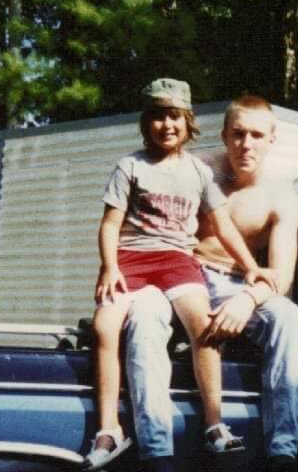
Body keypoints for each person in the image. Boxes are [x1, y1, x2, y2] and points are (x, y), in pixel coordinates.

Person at [84, 80, 278, 471]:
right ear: (146, 123)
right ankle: (109, 429)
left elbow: (223, 225)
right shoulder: (130, 166)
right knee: (105, 327)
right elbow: (110, 224)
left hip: (176, 260)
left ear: (188, 122)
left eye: (175, 116)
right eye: (158, 116)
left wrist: (251, 266)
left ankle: (214, 422)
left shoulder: (198, 172)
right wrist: (109, 266)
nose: (167, 125)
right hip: (131, 260)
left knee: (204, 325)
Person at [124, 95, 298, 472]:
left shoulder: (282, 197)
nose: (246, 144)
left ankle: (282, 451)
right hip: (177, 272)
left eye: (257, 135)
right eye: (238, 134)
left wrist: (246, 300)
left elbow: (281, 275)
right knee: (143, 316)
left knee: (288, 317)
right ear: (224, 135)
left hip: (235, 285)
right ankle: (156, 452)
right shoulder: (194, 168)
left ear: (272, 140)